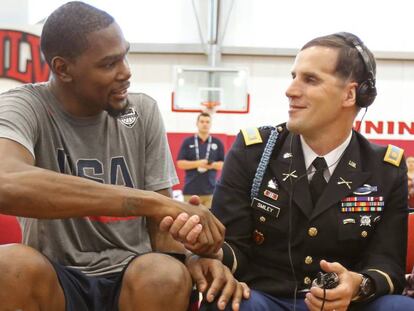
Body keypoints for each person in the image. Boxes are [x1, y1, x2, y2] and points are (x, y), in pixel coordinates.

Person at [0, 2, 248, 311]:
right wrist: (153, 202)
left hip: (130, 275)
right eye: (108, 64)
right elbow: (5, 181)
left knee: (165, 274)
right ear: (63, 69)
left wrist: (194, 253)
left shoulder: (140, 112)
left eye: (125, 55)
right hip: (55, 278)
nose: (126, 71)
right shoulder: (25, 106)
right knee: (8, 264)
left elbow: (162, 229)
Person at [164, 32, 414, 310]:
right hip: (262, 299)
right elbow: (233, 247)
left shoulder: (385, 169)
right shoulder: (253, 152)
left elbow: (387, 264)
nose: (290, 90)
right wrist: (206, 246)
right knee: (226, 303)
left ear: (350, 94)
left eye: (310, 79)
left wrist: (358, 284)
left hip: (345, 306)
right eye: (293, 76)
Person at [177, 112, 225, 209]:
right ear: (197, 123)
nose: (204, 124)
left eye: (207, 122)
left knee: (208, 222)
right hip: (190, 191)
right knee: (190, 220)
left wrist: (210, 165)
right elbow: (180, 163)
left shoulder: (217, 142)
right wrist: (198, 163)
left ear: (210, 124)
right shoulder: (188, 141)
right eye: (202, 121)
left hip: (210, 192)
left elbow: (223, 165)